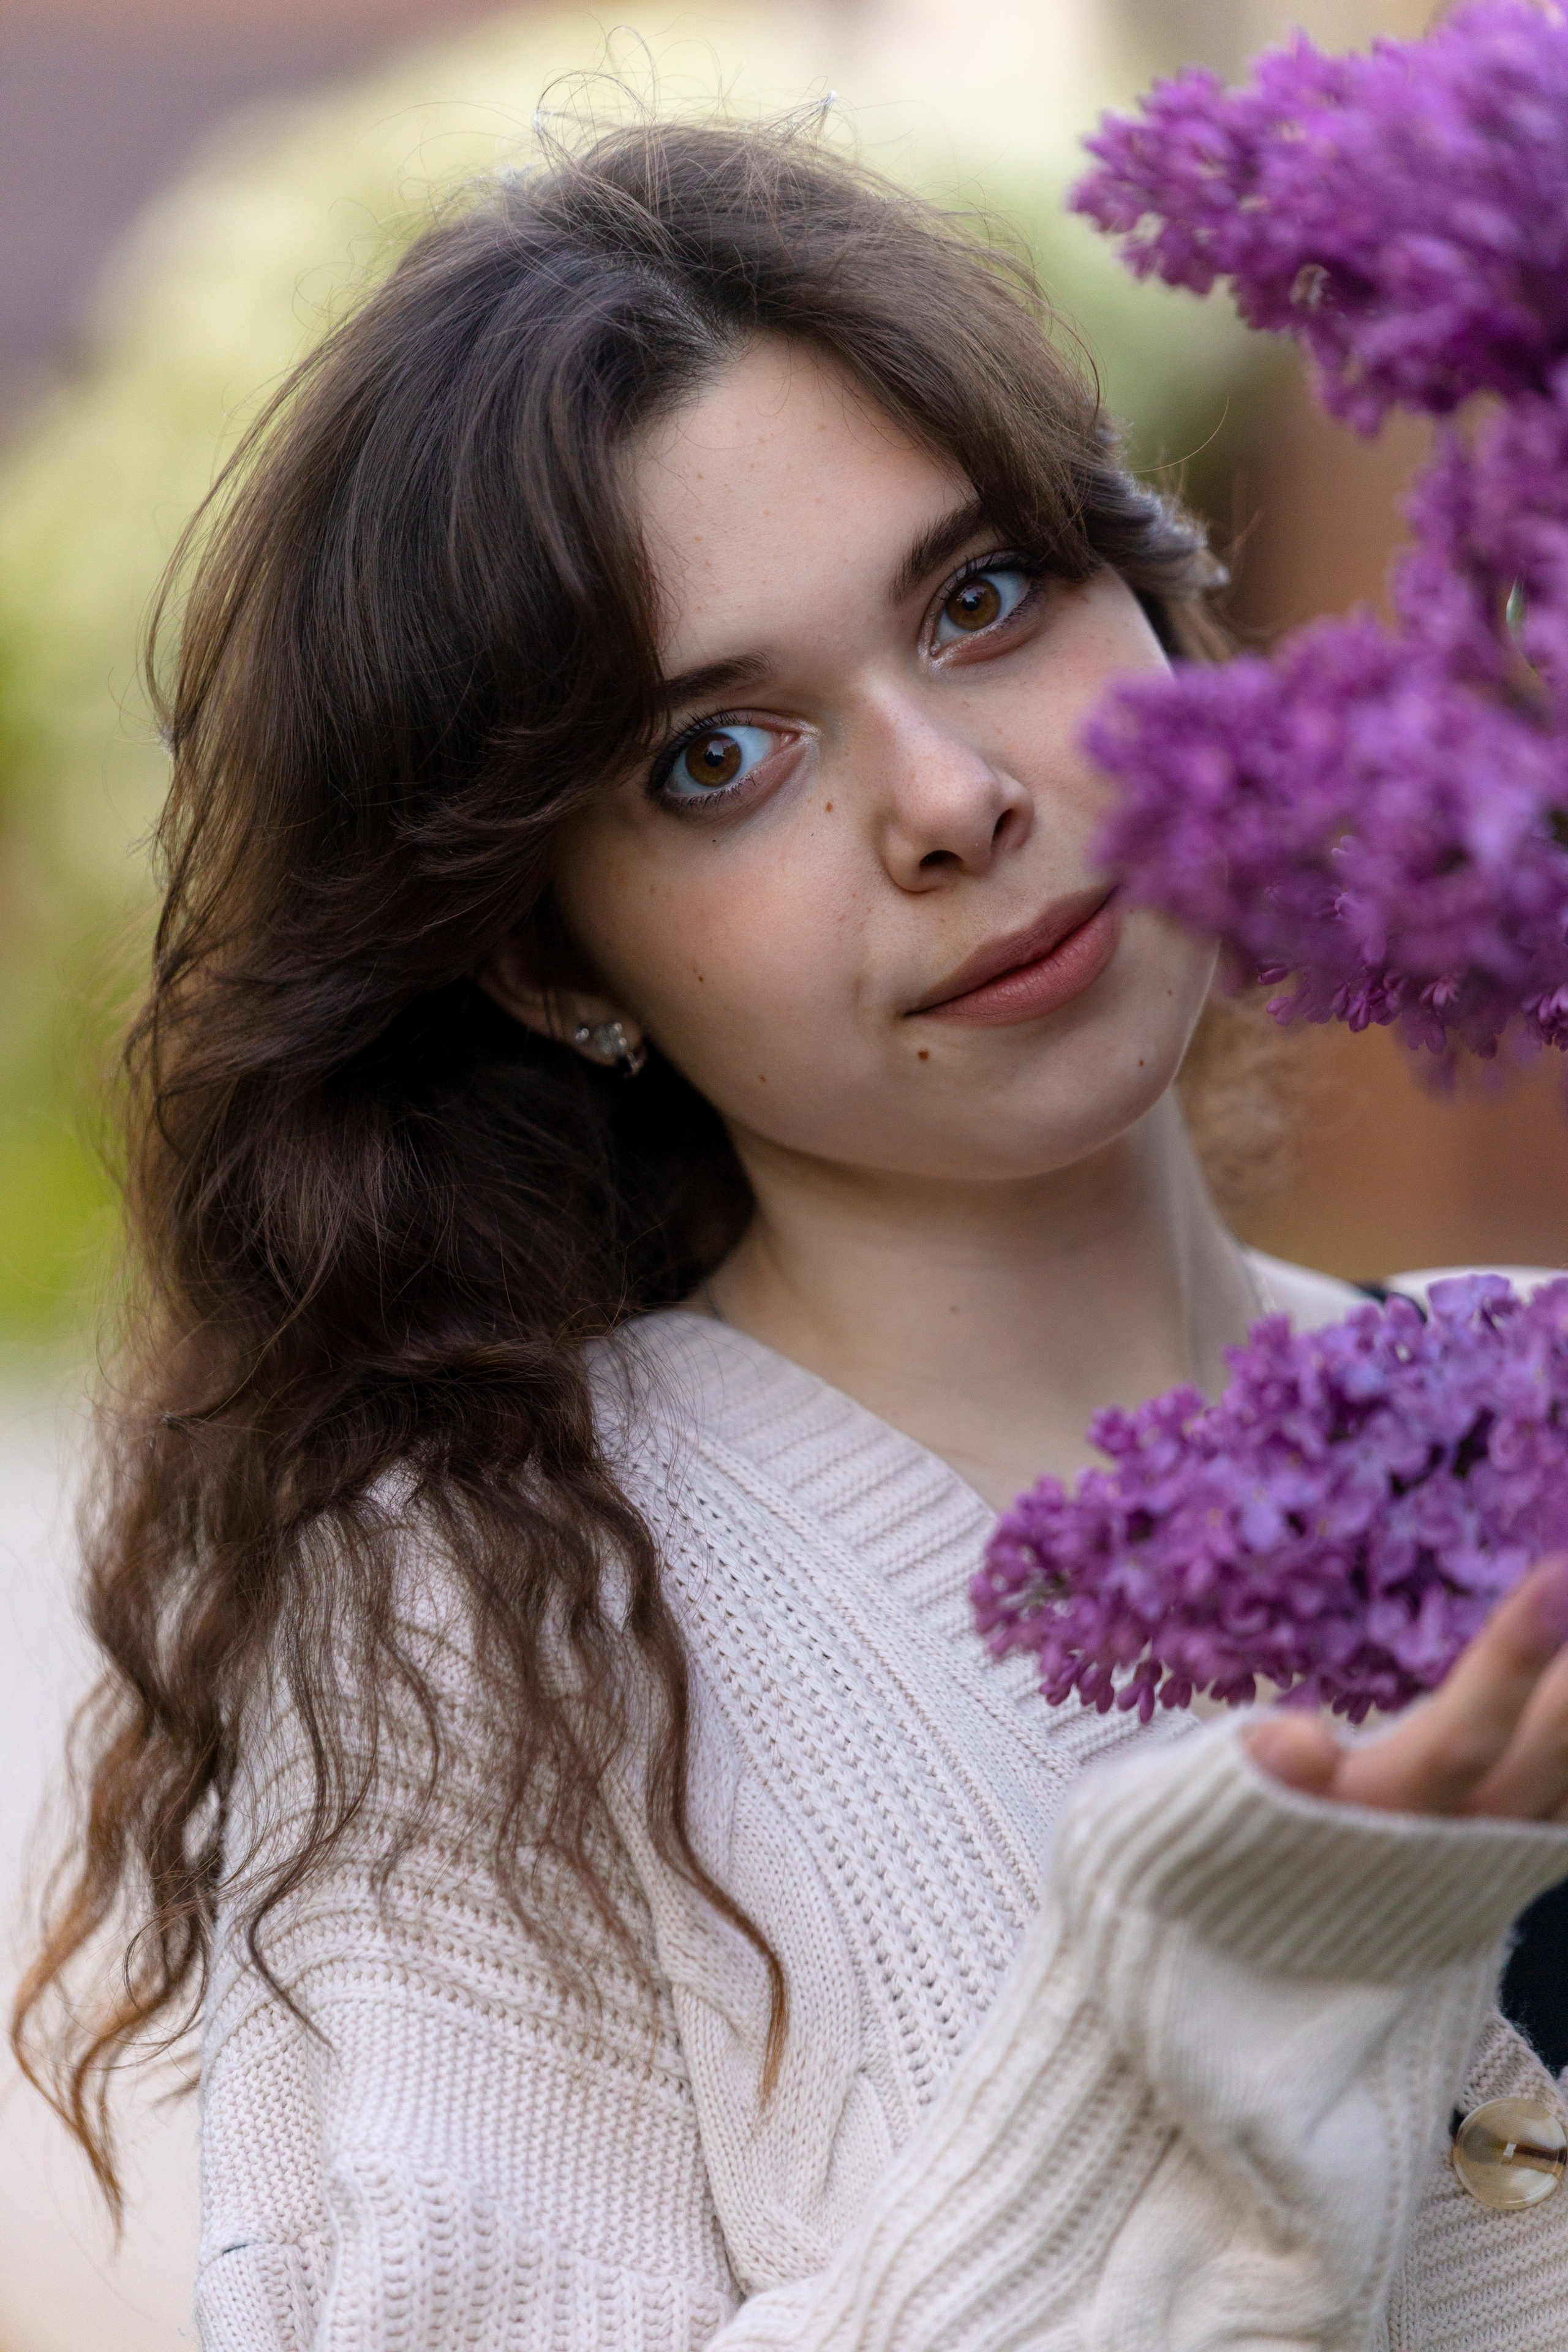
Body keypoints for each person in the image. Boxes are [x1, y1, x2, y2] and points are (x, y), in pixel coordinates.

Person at [15, 117, 1568, 2351]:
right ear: (549, 964)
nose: (950, 801)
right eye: (718, 760)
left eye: (980, 598)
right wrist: (1218, 1992)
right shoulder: (499, 1636)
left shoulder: (1519, 1399)